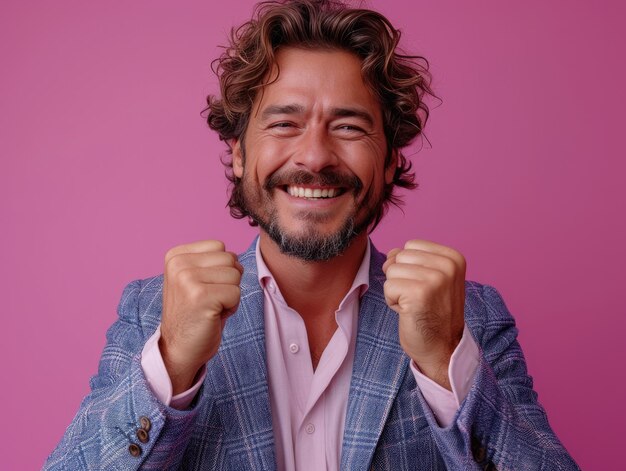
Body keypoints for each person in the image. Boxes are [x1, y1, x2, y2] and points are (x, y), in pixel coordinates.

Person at [44, 1, 579, 469]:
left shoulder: (471, 317)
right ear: (238, 153)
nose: (316, 156)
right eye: (283, 124)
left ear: (391, 159)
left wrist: (447, 364)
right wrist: (170, 368)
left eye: (348, 126)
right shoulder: (151, 312)